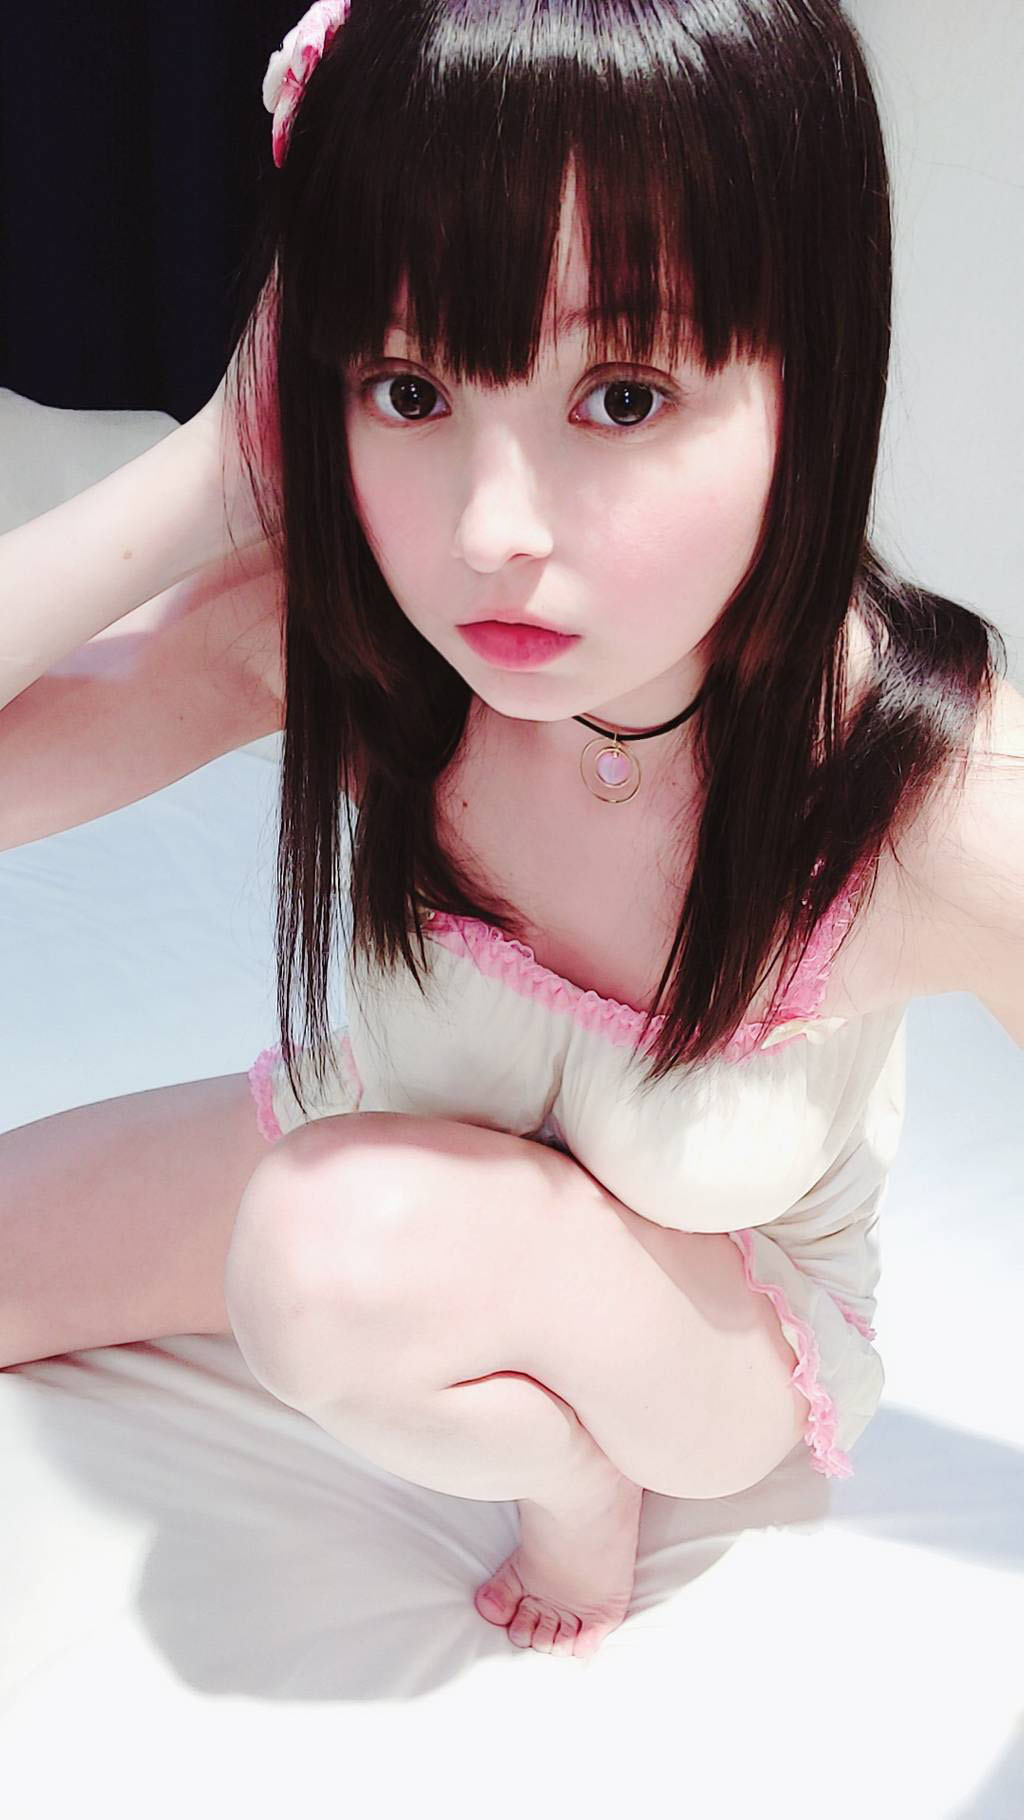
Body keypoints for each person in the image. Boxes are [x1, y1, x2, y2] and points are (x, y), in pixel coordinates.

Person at [0, 0, 1013, 1660]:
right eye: (409, 386)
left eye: (622, 396)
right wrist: (206, 475)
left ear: (812, 372)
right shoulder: (374, 653)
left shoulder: (916, 797)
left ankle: (572, 1484)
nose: (491, 533)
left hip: (708, 1335)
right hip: (389, 1139)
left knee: (322, 1253)